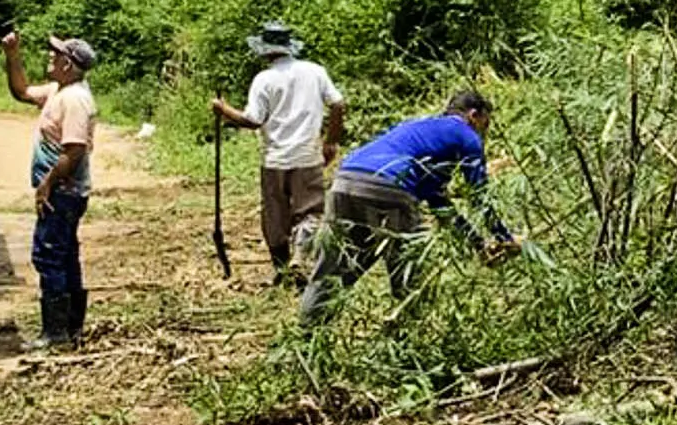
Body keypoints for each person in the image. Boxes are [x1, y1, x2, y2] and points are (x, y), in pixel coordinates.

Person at [298, 88, 515, 326]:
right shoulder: (466, 135)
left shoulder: (418, 130)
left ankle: (306, 335)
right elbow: (480, 196)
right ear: (474, 115)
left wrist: (478, 244)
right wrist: (504, 237)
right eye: (486, 124)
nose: (485, 132)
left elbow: (438, 203)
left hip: (345, 182)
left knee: (333, 267)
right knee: (410, 273)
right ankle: (410, 336)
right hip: (388, 188)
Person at [210, 21, 346, 286]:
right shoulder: (315, 71)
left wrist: (223, 109)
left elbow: (252, 120)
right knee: (311, 212)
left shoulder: (264, 79)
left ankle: (283, 269)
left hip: (275, 159)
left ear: (265, 51)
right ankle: (301, 257)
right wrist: (331, 142)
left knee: (275, 214)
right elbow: (338, 104)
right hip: (307, 155)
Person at [1, 31, 99, 348]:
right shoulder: (60, 90)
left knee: (48, 256)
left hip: (63, 191)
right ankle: (70, 330)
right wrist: (12, 54)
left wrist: (46, 184)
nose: (49, 57)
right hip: (63, 190)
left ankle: (56, 333)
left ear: (68, 64)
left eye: (55, 55)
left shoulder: (74, 100)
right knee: (65, 255)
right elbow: (21, 91)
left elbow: (73, 151)